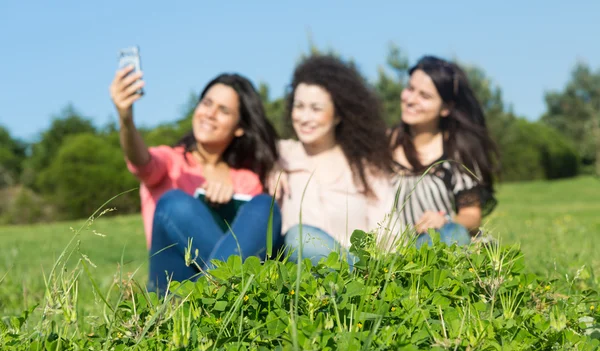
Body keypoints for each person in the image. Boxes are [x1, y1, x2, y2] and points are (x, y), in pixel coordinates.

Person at [109, 67, 281, 293]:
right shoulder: (171, 162)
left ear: (239, 128)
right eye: (207, 103)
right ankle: (221, 294)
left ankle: (214, 299)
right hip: (174, 284)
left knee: (265, 205)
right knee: (174, 203)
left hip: (221, 286)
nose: (210, 113)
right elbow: (140, 160)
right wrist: (126, 119)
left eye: (223, 110)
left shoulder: (246, 180)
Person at [274, 55, 395, 265]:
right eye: (299, 106)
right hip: (298, 278)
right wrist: (272, 165)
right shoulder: (280, 155)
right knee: (298, 238)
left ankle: (356, 279)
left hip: (361, 270)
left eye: (316, 109)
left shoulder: (366, 168)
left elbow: (389, 234)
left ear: (338, 115)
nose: (304, 117)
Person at [389, 55, 498, 248]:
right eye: (410, 89)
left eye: (425, 96)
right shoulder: (381, 145)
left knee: (450, 234)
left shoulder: (457, 151)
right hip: (391, 251)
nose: (411, 100)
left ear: (446, 108)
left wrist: (445, 220)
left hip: (442, 244)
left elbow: (472, 215)